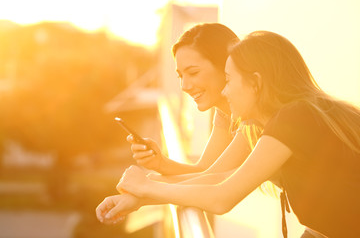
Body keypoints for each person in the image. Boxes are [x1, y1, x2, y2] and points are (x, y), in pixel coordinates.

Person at [116, 31, 360, 238]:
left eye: (229, 80)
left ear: (255, 83)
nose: (225, 90)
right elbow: (219, 178)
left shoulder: (295, 118)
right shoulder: (294, 117)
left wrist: (147, 188)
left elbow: (222, 196)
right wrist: (140, 196)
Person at [96, 23, 262, 224]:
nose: (185, 86)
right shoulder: (226, 114)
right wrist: (160, 165)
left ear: (227, 65)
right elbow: (207, 171)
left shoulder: (257, 117)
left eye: (193, 73)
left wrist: (144, 189)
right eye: (181, 76)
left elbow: (217, 180)